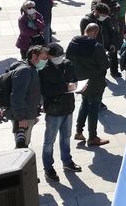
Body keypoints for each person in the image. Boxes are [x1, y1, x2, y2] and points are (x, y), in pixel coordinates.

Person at [39, 43, 82, 182]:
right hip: (53, 110)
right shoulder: (44, 70)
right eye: (56, 56)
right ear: (49, 56)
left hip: (68, 107)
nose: (60, 58)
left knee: (66, 137)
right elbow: (46, 91)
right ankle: (48, 168)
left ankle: (67, 161)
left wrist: (77, 85)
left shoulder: (67, 64)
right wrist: (65, 87)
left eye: (61, 55)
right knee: (49, 142)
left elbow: (74, 78)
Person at [67, 23, 110, 147]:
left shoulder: (73, 43)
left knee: (84, 104)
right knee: (93, 109)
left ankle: (79, 131)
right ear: (95, 33)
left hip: (80, 81)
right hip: (95, 82)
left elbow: (68, 60)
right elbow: (105, 64)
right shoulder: (96, 46)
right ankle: (92, 137)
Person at [8, 45, 49, 148]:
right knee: (22, 147)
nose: (45, 61)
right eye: (43, 58)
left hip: (28, 115)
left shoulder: (30, 68)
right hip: (23, 118)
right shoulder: (25, 71)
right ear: (34, 56)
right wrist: (21, 119)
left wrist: (34, 114)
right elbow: (17, 96)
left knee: (24, 144)